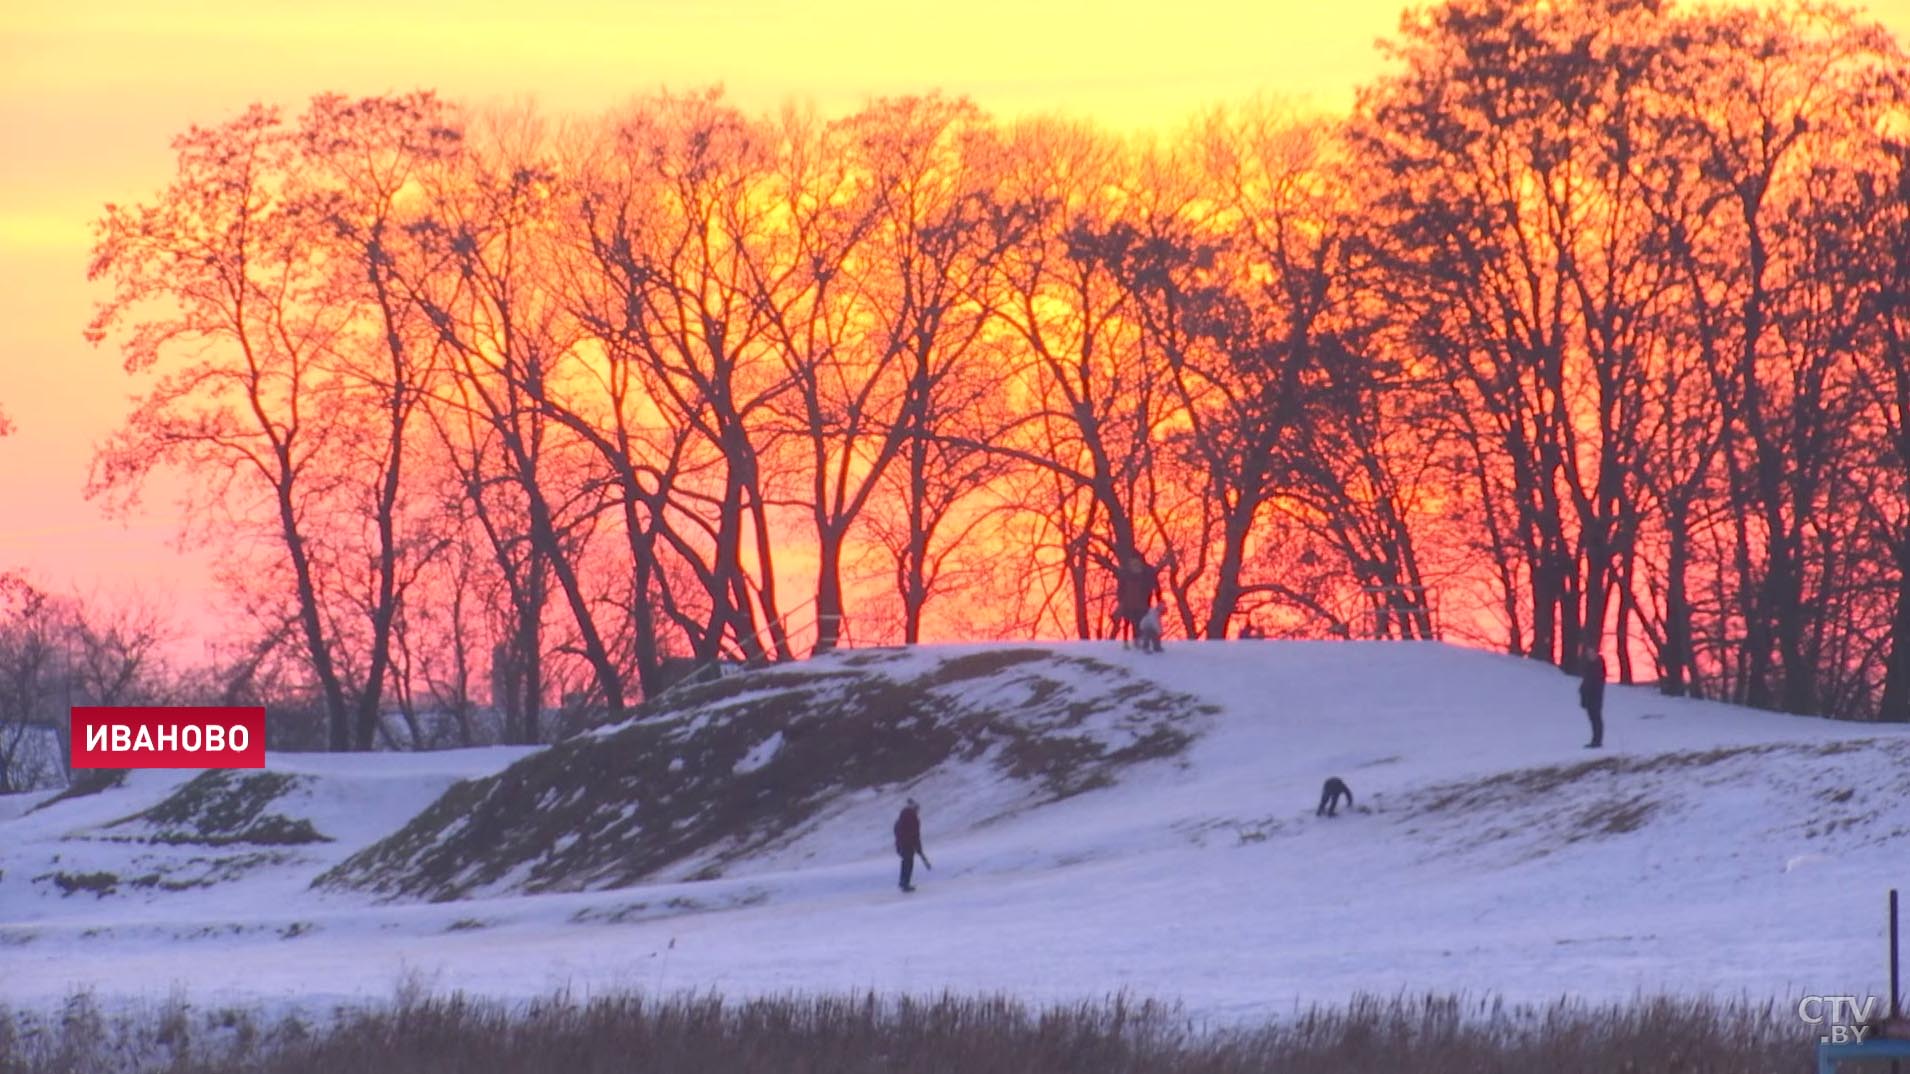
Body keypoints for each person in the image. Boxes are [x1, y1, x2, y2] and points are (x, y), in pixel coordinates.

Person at [1114, 552, 1163, 649]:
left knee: (1141, 622)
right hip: (1128, 602)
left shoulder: (1148, 572)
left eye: (1136, 561)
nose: (1135, 564)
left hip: (1143, 602)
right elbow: (1120, 588)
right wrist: (1120, 600)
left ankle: (1140, 640)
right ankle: (1127, 641)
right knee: (1127, 622)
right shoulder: (1125, 573)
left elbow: (1156, 586)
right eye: (1132, 562)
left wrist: (1159, 600)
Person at [893, 798, 926, 892]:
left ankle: (903, 882)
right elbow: (915, 834)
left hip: (901, 844)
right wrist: (918, 847)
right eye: (917, 809)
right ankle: (905, 883)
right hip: (907, 845)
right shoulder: (913, 819)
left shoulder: (900, 819)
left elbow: (897, 831)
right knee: (908, 863)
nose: (918, 811)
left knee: (905, 862)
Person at [1579, 644, 1606, 749]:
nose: (1590, 655)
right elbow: (1586, 682)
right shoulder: (1589, 665)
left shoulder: (1598, 665)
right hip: (1589, 696)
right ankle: (1595, 740)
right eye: (1588, 654)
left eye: (1591, 653)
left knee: (1596, 718)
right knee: (1593, 718)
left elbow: (1595, 682)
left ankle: (1597, 740)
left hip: (1595, 696)